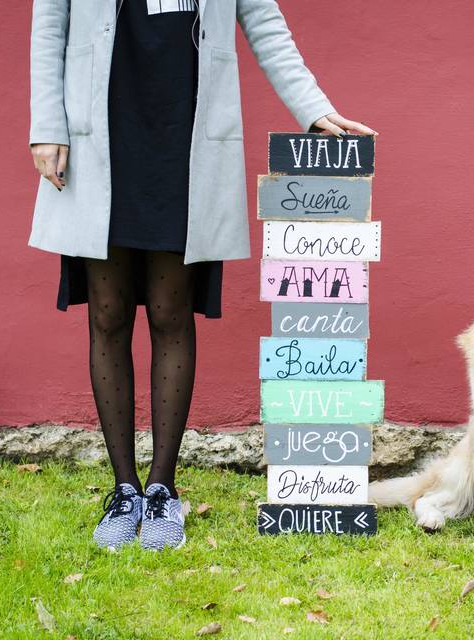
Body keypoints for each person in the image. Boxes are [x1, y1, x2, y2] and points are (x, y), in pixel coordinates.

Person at [28, 0, 374, 551]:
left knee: (170, 312)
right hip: (99, 129)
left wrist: (312, 109)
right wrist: (46, 126)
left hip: (183, 134)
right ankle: (123, 490)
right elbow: (51, 22)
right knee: (108, 312)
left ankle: (163, 491)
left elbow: (263, 21)